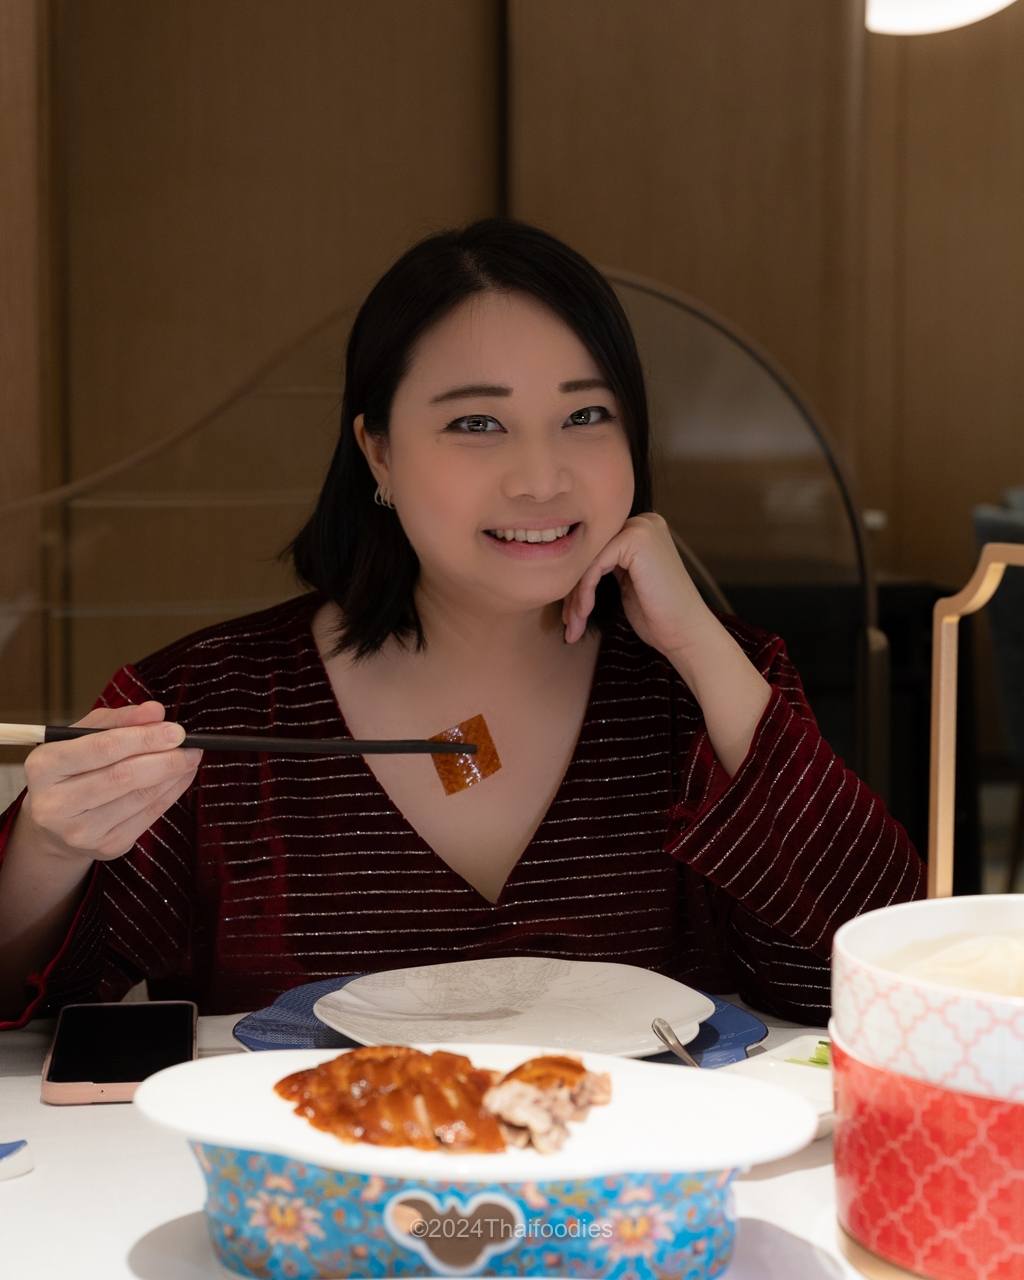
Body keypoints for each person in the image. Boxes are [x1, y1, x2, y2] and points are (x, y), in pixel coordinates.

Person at [0, 218, 924, 1029]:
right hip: (313, 1172)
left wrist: (702, 648)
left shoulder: (709, 690)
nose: (541, 478)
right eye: (477, 424)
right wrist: (49, 846)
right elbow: (25, 1006)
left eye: (586, 415)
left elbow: (876, 977)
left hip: (632, 1174)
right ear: (378, 452)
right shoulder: (207, 704)